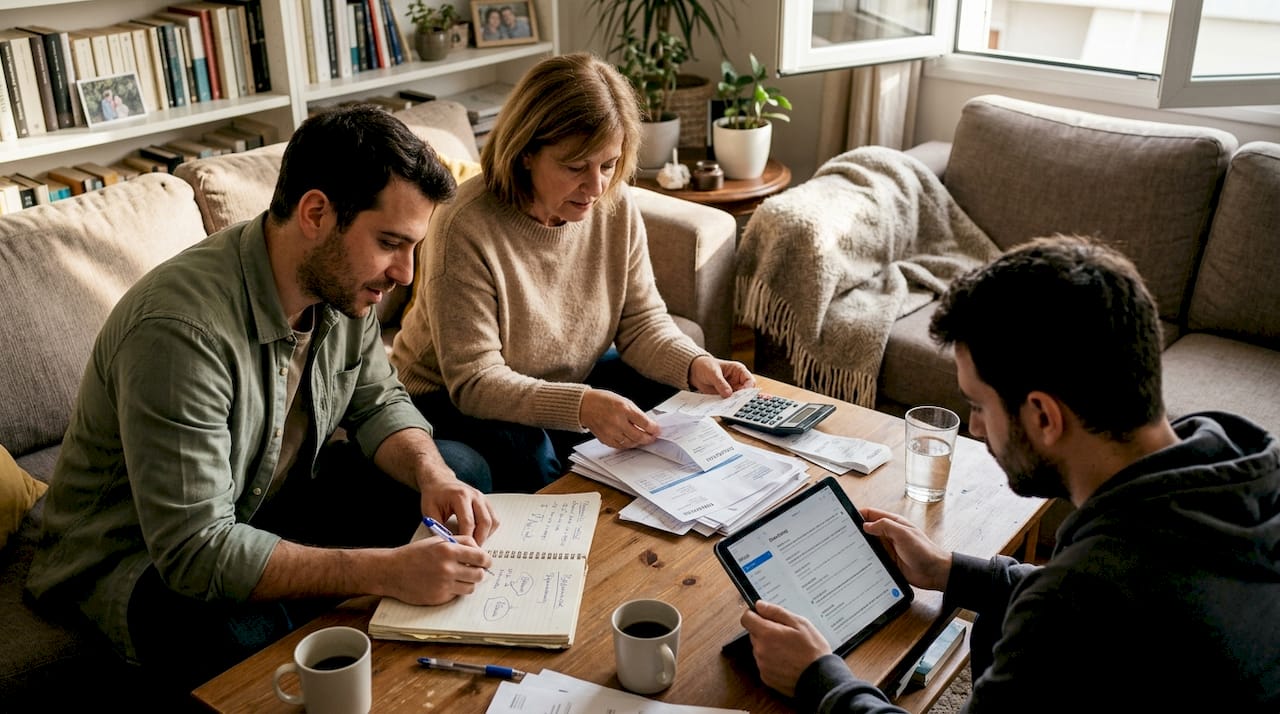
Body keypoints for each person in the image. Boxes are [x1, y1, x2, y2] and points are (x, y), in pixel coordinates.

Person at [26, 105, 500, 695]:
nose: (405, 273)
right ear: (316, 213)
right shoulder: (179, 332)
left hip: (267, 501)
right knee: (245, 629)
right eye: (390, 243)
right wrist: (388, 571)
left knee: (462, 470)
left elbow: (378, 402)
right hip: (137, 556)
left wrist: (434, 475)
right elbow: (196, 550)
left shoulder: (345, 284)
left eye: (411, 248)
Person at [740, 235, 1280, 712]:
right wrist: (952, 572)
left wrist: (820, 679)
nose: (976, 429)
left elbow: (1090, 604)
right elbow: (1123, 604)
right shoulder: (1238, 469)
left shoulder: (1071, 609)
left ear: (1043, 416)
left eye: (978, 405)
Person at [389, 53, 755, 492]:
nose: (597, 186)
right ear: (525, 152)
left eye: (608, 164)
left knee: (675, 395)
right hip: (447, 397)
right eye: (575, 166)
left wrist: (697, 365)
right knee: (528, 451)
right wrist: (582, 406)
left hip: (558, 378)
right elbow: (476, 381)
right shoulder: (464, 224)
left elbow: (641, 322)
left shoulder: (612, 203)